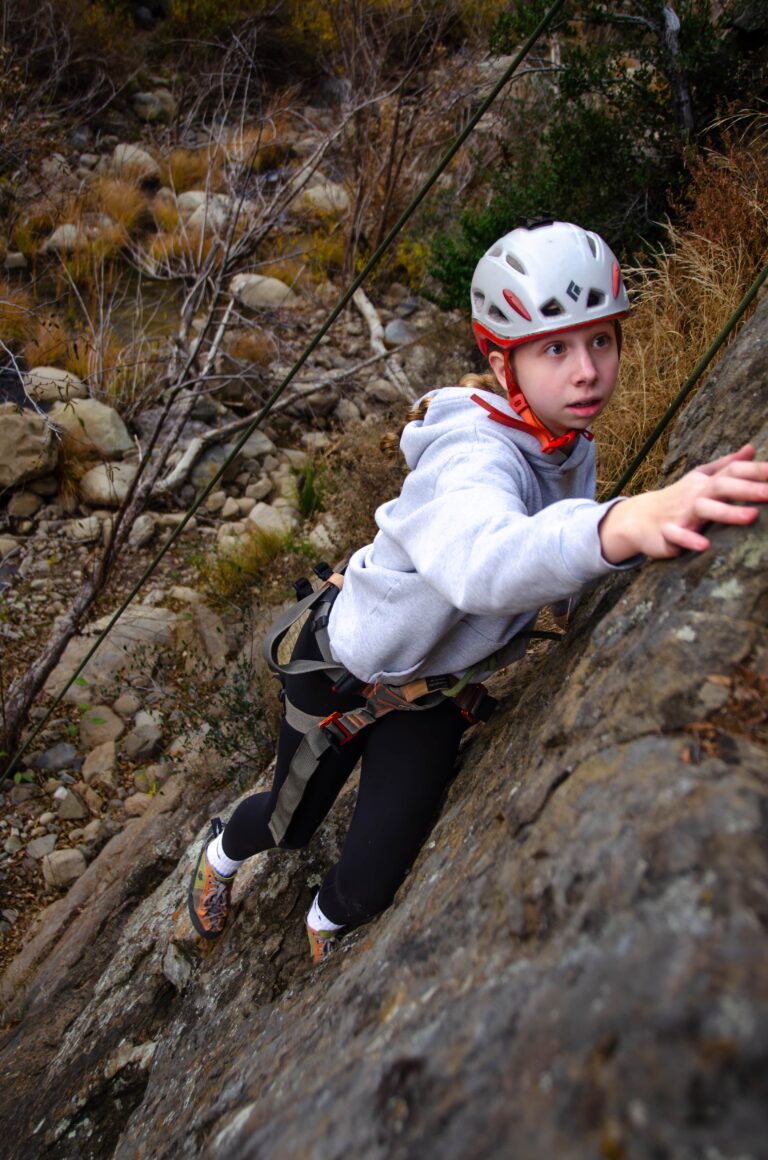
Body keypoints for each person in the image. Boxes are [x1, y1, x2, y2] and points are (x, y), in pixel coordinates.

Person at [188, 221, 768, 962]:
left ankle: (325, 931)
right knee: (286, 824)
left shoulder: (568, 439)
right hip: (340, 673)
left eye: (601, 341)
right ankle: (221, 857)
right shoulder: (470, 453)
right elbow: (481, 562)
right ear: (503, 361)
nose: (587, 371)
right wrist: (620, 524)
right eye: (555, 348)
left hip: (430, 691)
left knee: (368, 884)